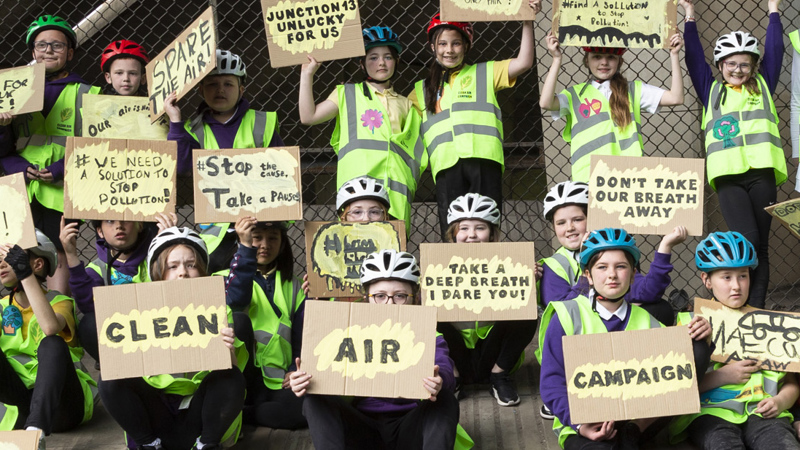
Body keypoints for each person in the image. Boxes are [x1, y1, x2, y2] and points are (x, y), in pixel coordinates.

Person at [539, 228, 711, 449]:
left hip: (634, 417)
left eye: (621, 267)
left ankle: (635, 430)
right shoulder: (566, 315)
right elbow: (552, 382)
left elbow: (677, 372)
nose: (612, 274)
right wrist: (580, 424)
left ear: (632, 275)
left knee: (695, 347)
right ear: (588, 276)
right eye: (602, 267)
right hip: (585, 424)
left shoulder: (646, 319)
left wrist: (701, 334)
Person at [290, 249, 461, 449]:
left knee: (446, 399)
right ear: (367, 298)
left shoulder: (428, 333)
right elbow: (319, 365)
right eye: (380, 296)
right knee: (313, 397)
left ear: (414, 298)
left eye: (400, 296)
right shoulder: (346, 331)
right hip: (361, 427)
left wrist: (440, 381)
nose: (389, 304)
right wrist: (303, 380)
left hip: (411, 426)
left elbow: (444, 367)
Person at [679, 0, 787, 308]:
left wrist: (774, 11)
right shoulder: (710, 90)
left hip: (761, 173)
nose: (737, 69)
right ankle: (742, 309)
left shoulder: (763, 84)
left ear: (753, 66)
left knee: (760, 247)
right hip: (728, 177)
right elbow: (694, 59)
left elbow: (776, 50)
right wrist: (690, 18)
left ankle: (755, 312)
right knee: (748, 243)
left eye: (744, 64)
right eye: (730, 63)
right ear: (721, 65)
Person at [98, 227, 245, 450]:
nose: (183, 272)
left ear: (203, 271)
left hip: (200, 414)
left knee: (231, 376)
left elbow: (231, 380)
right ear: (158, 272)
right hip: (156, 413)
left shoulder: (219, 309)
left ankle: (206, 445)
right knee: (109, 377)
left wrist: (228, 350)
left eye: (191, 264)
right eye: (172, 266)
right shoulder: (137, 310)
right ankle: (149, 445)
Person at [410, 1, 540, 237]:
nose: (449, 49)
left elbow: (524, 62)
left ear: (467, 46)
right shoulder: (421, 89)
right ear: (432, 46)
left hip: (484, 160)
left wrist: (527, 21)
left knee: (485, 225)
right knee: (452, 231)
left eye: (456, 43)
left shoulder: (485, 72)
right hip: (446, 165)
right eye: (442, 43)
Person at [669, 231, 800, 449]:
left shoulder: (772, 326)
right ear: (706, 280)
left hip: (762, 410)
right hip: (711, 414)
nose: (736, 286)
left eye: (743, 275)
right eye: (726, 277)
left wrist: (779, 402)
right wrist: (722, 376)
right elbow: (674, 387)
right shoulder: (689, 323)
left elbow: (791, 385)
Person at [0, 15, 101, 295]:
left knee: (57, 255)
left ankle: (60, 315)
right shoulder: (11, 92)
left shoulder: (88, 93)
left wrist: (59, 168)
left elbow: (97, 147)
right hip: (19, 186)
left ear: (69, 53)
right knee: (14, 253)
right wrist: (15, 159)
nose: (48, 51)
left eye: (57, 46)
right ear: (33, 52)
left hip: (61, 188)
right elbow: (4, 149)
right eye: (41, 45)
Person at [164, 49, 285, 273]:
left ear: (241, 88)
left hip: (258, 229)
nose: (220, 90)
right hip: (216, 236)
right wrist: (175, 121)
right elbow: (180, 167)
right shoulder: (192, 129)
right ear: (200, 89)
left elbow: (283, 175)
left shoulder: (263, 122)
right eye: (212, 84)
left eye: (228, 84)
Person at [299, 26, 425, 231]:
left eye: (388, 57)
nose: (381, 62)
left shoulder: (407, 104)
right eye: (373, 57)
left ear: (397, 61)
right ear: (362, 64)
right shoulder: (347, 94)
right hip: (358, 197)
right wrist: (307, 75)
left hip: (395, 196)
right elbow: (308, 116)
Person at [539, 32, 685, 182]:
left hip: (627, 177)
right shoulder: (574, 94)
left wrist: (674, 55)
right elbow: (545, 103)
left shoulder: (633, 90)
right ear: (587, 61)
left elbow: (676, 97)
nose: (604, 62)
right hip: (587, 179)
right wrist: (556, 59)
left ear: (619, 62)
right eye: (596, 56)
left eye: (611, 57)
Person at [438, 193, 536, 407]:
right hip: (455, 354)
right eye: (463, 228)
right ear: (453, 234)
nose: (471, 235)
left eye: (480, 228)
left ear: (492, 235)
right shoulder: (436, 268)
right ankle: (452, 379)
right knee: (426, 313)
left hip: (493, 353)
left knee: (528, 309)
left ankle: (499, 376)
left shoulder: (510, 264)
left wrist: (529, 280)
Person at [0, 230, 95, 449]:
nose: (3, 264)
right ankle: (30, 425)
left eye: (11, 258)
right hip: (22, 403)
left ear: (38, 264)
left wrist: (25, 275)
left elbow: (51, 327)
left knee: (52, 342)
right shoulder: (3, 306)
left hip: (64, 406)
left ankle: (35, 433)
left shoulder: (60, 302)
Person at [225, 218, 306, 430]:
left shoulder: (294, 283)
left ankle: (246, 415)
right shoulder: (225, 278)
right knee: (240, 320)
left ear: (283, 242)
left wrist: (294, 369)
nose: (264, 245)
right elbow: (236, 299)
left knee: (303, 412)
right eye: (256, 237)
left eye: (273, 238)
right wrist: (245, 249)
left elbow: (301, 333)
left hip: (280, 377)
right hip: (244, 376)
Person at [59, 215, 170, 363]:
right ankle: (115, 369)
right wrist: (71, 254)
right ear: (100, 231)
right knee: (88, 324)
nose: (119, 226)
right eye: (110, 221)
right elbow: (88, 307)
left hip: (161, 334)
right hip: (120, 345)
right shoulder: (96, 269)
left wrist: (167, 245)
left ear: (140, 226)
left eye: (127, 219)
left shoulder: (158, 259)